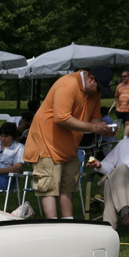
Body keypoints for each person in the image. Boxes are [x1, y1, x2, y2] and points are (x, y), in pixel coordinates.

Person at [23, 66, 114, 219]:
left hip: (69, 146)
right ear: (91, 79)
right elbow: (62, 118)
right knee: (49, 188)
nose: (99, 93)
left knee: (68, 187)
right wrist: (93, 127)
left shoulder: (94, 92)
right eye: (99, 88)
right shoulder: (67, 85)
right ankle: (53, 226)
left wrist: (104, 128)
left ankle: (68, 224)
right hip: (46, 144)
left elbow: (95, 118)